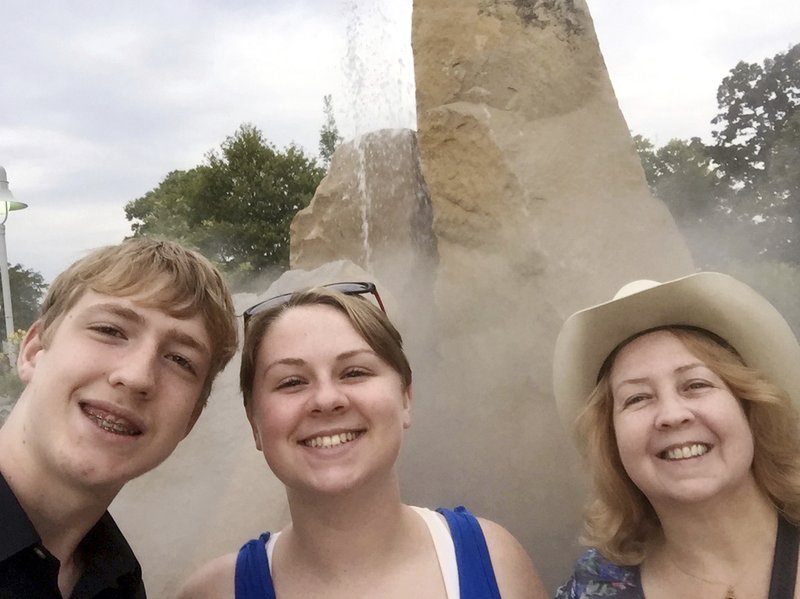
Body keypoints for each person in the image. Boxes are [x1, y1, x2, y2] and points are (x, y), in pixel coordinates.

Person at [178, 282, 547, 599]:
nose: (326, 399)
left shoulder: (497, 563)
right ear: (254, 423)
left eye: (355, 372)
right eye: (291, 381)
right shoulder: (214, 592)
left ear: (405, 399)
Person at [0, 238, 238, 598]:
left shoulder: (120, 582)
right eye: (110, 330)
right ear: (34, 351)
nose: (138, 376)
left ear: (190, 420)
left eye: (179, 360)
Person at [551, 272, 800, 599]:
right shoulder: (592, 589)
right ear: (612, 442)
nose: (671, 415)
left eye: (696, 385)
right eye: (638, 398)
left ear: (749, 408)